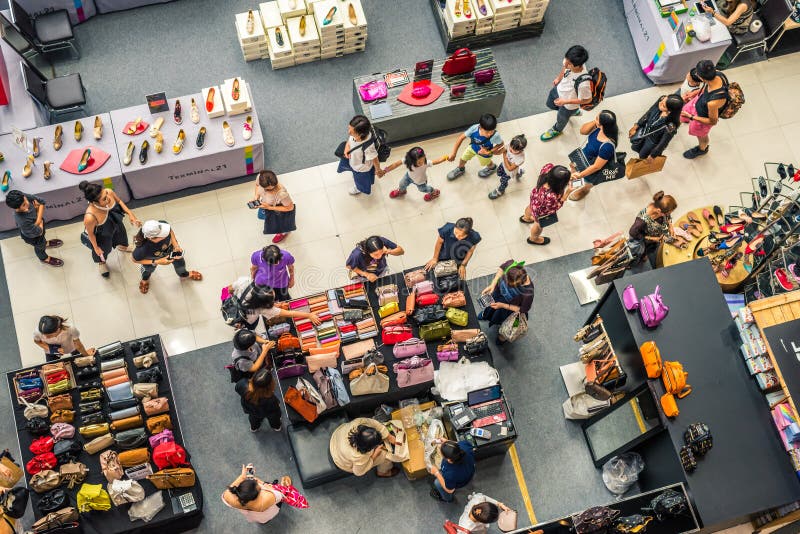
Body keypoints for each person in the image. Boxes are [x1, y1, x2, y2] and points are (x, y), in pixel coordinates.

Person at [78, 181, 141, 278]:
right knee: (103, 250)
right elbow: (91, 234)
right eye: (104, 199)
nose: (108, 198)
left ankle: (123, 247)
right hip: (103, 233)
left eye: (106, 194)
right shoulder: (90, 217)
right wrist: (96, 248)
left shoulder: (109, 191)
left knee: (122, 236)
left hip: (116, 222)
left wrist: (130, 214)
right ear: (94, 202)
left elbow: (119, 201)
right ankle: (102, 263)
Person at [131, 220, 203, 294]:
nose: (165, 233)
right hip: (152, 260)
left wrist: (176, 245)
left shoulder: (163, 225)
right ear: (151, 238)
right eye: (162, 234)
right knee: (147, 270)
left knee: (180, 265)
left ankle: (184, 274)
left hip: (172, 252)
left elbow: (170, 231)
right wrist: (157, 261)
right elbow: (134, 259)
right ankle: (145, 279)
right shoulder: (142, 249)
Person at [227, 277, 321, 331]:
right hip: (246, 319)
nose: (273, 291)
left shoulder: (245, 282)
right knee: (250, 327)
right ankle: (240, 326)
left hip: (233, 306)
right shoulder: (266, 309)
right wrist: (309, 315)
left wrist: (237, 298)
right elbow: (288, 313)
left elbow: (230, 289)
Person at [540, 45, 593, 141]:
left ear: (578, 65)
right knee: (550, 104)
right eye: (566, 59)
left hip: (568, 105)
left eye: (569, 63)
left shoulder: (584, 83)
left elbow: (587, 99)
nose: (565, 63)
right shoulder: (569, 62)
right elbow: (564, 69)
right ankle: (574, 112)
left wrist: (565, 102)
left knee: (561, 118)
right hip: (558, 90)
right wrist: (558, 78)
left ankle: (557, 129)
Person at [568, 110, 620, 201]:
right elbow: (582, 131)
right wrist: (596, 122)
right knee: (573, 167)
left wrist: (580, 175)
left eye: (597, 118)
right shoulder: (598, 127)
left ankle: (584, 190)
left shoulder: (607, 146)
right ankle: (575, 183)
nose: (595, 118)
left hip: (593, 165)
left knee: (587, 180)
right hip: (585, 155)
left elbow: (596, 167)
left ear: (603, 125)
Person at [681, 60, 728, 159]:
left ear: (702, 78)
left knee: (701, 136)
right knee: (684, 112)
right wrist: (695, 93)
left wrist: (692, 117)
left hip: (702, 118)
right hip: (699, 102)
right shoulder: (718, 74)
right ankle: (686, 119)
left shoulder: (713, 102)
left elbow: (712, 121)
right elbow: (707, 86)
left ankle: (702, 149)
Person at [479, 261, 534, 344]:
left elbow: (523, 309)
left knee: (506, 324)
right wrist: (493, 284)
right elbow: (502, 268)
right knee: (490, 308)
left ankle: (502, 337)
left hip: (509, 308)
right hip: (498, 295)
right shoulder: (513, 266)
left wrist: (503, 305)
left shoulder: (528, 293)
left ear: (520, 285)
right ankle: (486, 314)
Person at [4, 190, 63, 267]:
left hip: (35, 229)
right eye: (24, 205)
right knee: (39, 247)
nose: (28, 203)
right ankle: (44, 258)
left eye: (26, 199)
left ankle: (45, 243)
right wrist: (38, 214)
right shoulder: (22, 220)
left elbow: (42, 201)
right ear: (16, 208)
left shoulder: (21, 197)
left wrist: (38, 221)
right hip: (33, 236)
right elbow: (39, 232)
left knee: (42, 239)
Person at [519, 164, 573, 246]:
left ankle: (526, 218)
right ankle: (534, 239)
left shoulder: (547, 168)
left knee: (530, 206)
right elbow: (555, 207)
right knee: (538, 225)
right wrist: (567, 194)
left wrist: (568, 176)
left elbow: (555, 172)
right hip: (541, 211)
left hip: (535, 197)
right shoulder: (551, 196)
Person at [329, 418, 401, 477]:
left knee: (382, 431)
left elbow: (373, 423)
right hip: (341, 460)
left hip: (336, 439)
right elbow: (358, 472)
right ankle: (382, 472)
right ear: (369, 449)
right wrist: (374, 455)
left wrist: (389, 436)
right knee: (385, 455)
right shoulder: (358, 456)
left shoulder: (358, 423)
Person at [234, 343, 282, 432]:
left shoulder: (242, 384)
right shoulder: (270, 398)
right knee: (274, 418)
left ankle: (254, 428)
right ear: (270, 385)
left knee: (253, 419)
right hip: (268, 412)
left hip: (251, 411)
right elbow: (275, 407)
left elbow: (237, 388)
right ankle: (276, 427)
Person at [222, 464, 292, 524]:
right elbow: (278, 495)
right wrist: (265, 484)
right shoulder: (266, 499)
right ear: (258, 495)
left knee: (262, 519)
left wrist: (243, 477)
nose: (256, 481)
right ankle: (280, 486)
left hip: (255, 516)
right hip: (270, 506)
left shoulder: (234, 499)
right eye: (258, 486)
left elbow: (227, 493)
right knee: (280, 498)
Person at [446, 114, 505, 181]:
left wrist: (489, 152)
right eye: (487, 131)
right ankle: (460, 168)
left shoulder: (495, 135)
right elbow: (461, 138)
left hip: (484, 154)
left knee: (487, 163)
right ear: (480, 127)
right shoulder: (474, 129)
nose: (490, 134)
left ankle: (492, 168)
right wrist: (454, 153)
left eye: (492, 131)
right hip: (472, 148)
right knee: (463, 158)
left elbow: (501, 144)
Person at [338, 115, 384, 196]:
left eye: (352, 131)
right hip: (354, 161)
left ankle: (358, 188)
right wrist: (347, 148)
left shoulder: (369, 147)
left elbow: (375, 159)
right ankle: (357, 178)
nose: (349, 132)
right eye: (349, 128)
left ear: (361, 134)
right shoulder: (355, 135)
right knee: (356, 176)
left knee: (360, 181)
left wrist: (378, 170)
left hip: (361, 168)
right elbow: (349, 140)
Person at [629, 95, 683, 161]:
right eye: (662, 101)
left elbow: (663, 143)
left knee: (642, 155)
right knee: (635, 147)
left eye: (663, 105)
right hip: (644, 131)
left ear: (670, 111)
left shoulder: (671, 126)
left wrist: (653, 155)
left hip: (652, 141)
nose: (659, 103)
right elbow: (649, 113)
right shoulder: (662, 99)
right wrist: (636, 126)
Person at [629, 191, 677, 265]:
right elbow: (633, 233)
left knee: (650, 249)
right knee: (639, 254)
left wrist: (670, 225)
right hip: (644, 240)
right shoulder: (641, 220)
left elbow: (667, 215)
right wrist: (651, 238)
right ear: (659, 211)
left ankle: (645, 255)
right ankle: (638, 260)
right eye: (668, 213)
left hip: (653, 238)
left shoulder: (660, 206)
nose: (669, 215)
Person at [253, 170, 295, 243]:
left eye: (272, 188)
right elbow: (257, 185)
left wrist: (269, 208)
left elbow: (290, 207)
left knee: (279, 223)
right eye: (267, 189)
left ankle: (282, 232)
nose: (270, 191)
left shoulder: (282, 194)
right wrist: (256, 197)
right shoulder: (260, 177)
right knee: (262, 216)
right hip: (265, 204)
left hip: (277, 209)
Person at [489, 134, 527, 200]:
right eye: (511, 148)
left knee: (503, 181)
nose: (511, 150)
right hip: (503, 165)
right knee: (499, 173)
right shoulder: (510, 144)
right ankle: (519, 172)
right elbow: (502, 151)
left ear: (521, 150)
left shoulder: (521, 159)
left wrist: (505, 157)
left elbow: (510, 168)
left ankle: (500, 190)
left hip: (509, 173)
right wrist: (490, 152)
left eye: (515, 150)